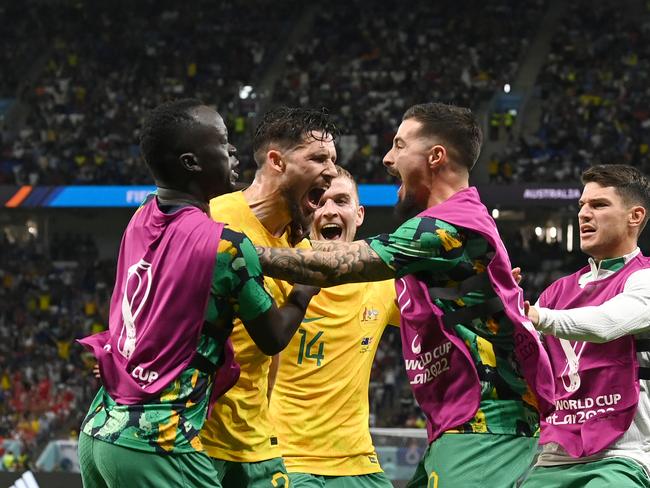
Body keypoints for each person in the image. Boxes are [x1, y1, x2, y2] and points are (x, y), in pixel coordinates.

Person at [255, 102, 556, 487]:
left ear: (435, 157)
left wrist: (233, 249)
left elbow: (336, 265)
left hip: (488, 425)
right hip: (462, 424)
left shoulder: (446, 227)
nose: (387, 157)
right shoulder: (447, 235)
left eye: (399, 145)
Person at [76, 99, 318, 488]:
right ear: (192, 163)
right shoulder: (226, 246)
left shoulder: (141, 216)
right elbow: (273, 337)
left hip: (100, 429)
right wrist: (303, 291)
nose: (234, 151)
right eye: (223, 143)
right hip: (159, 440)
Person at [200, 106, 338, 487]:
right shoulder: (213, 218)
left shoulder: (297, 250)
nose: (331, 170)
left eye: (333, 160)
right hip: (197, 440)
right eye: (318, 158)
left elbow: (268, 354)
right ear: (276, 160)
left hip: (256, 442)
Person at [270, 165, 400, 487]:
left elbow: (438, 315)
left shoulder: (384, 281)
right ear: (305, 213)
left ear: (359, 214)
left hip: (359, 462)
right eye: (319, 202)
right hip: (287, 458)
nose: (329, 211)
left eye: (341, 201)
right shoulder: (278, 270)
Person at [522, 164, 650, 488]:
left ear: (635, 216)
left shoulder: (644, 278)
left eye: (599, 205)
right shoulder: (557, 291)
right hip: (554, 455)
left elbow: (606, 323)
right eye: (581, 205)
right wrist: (498, 307)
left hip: (623, 456)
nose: (584, 214)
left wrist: (536, 316)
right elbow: (520, 355)